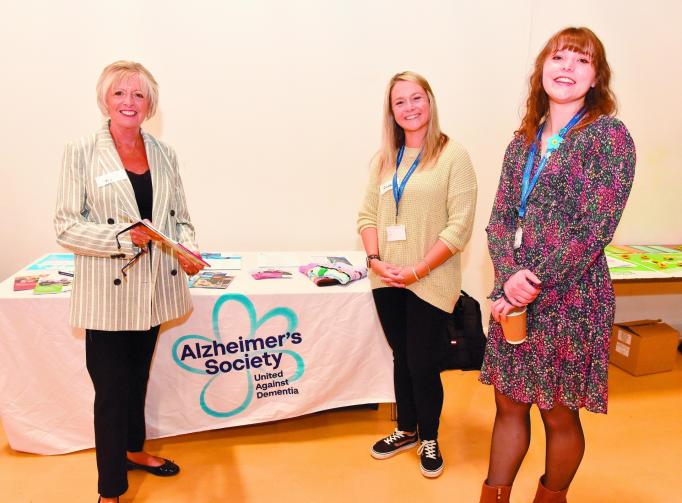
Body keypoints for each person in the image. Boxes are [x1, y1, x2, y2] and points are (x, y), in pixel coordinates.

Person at [478, 27, 636, 502]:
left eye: (581, 60)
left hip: (573, 296)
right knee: (508, 403)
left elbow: (595, 227)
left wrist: (530, 281)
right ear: (542, 69)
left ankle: (550, 497)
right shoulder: (521, 143)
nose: (567, 67)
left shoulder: (609, 137)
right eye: (559, 57)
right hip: (515, 294)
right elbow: (500, 219)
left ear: (596, 78)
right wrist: (509, 276)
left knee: (558, 413)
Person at [54, 61, 204, 503]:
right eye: (119, 93)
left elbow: (180, 219)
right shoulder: (81, 151)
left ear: (150, 105)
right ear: (105, 100)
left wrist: (188, 250)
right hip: (107, 293)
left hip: (155, 290)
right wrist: (122, 237)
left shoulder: (164, 153)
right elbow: (65, 226)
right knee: (110, 392)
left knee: (137, 378)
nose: (129, 102)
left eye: (139, 95)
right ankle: (110, 489)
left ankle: (134, 450)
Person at [357, 71, 477, 478]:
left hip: (430, 279)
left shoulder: (453, 156)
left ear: (430, 101)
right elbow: (366, 217)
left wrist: (417, 269)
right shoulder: (385, 159)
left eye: (416, 98)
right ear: (391, 111)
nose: (409, 108)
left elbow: (459, 227)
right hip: (386, 278)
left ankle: (429, 436)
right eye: (400, 102)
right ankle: (406, 429)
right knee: (402, 356)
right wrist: (375, 260)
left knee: (423, 361)